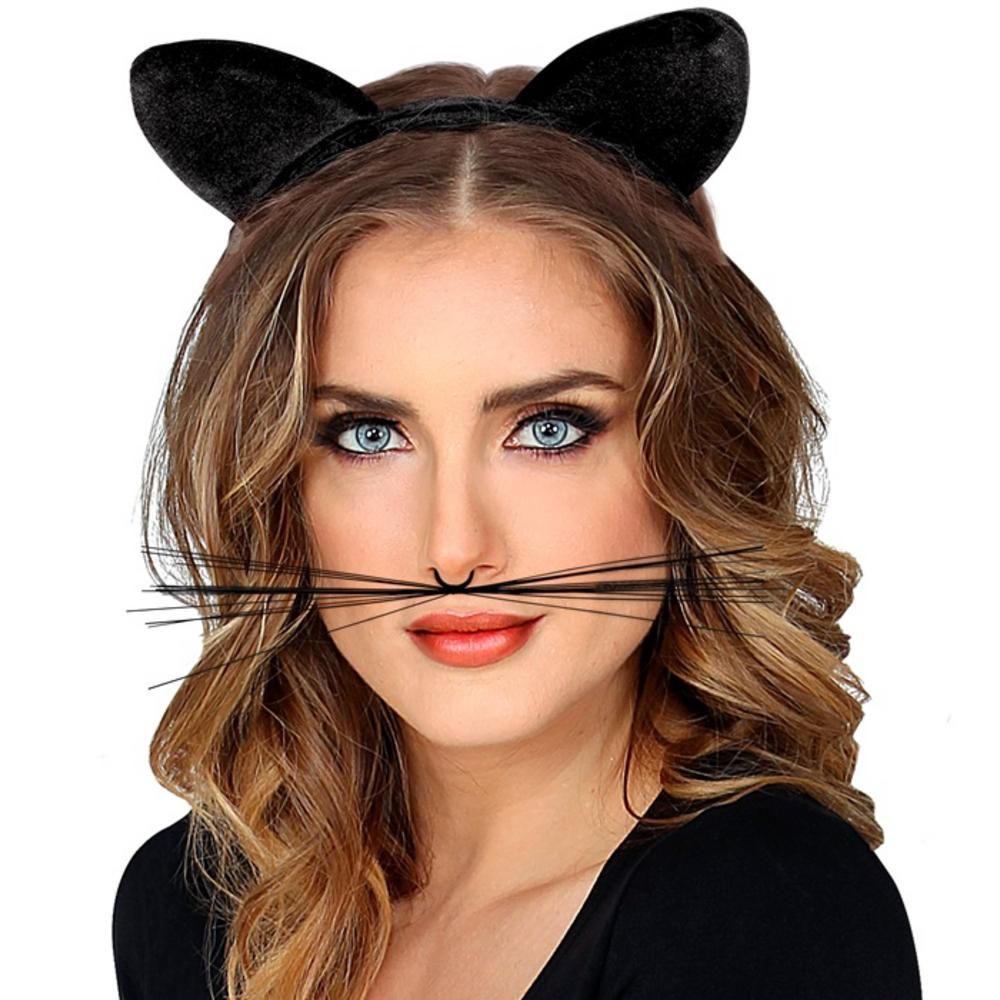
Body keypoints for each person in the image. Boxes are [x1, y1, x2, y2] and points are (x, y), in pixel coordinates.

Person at [113, 10, 923, 999]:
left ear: (694, 453)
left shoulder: (764, 912)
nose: (454, 548)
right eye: (368, 435)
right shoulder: (193, 905)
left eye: (548, 429)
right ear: (276, 481)